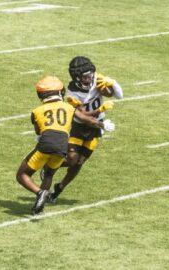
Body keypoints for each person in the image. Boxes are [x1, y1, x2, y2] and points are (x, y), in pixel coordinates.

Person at [16, 76, 115, 215]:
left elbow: (39, 134)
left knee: (22, 175)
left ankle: (40, 193)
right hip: (63, 146)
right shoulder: (69, 108)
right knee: (49, 174)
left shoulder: (36, 112)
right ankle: (39, 208)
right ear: (59, 92)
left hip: (46, 143)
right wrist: (103, 124)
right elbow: (86, 119)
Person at [45, 56, 123, 203]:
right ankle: (48, 167)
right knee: (72, 160)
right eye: (86, 76)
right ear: (77, 77)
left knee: (79, 163)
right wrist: (101, 109)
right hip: (78, 128)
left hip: (94, 129)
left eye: (90, 74)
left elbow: (119, 95)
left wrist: (112, 83)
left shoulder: (96, 79)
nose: (90, 78)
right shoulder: (72, 92)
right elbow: (82, 116)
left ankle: (58, 189)